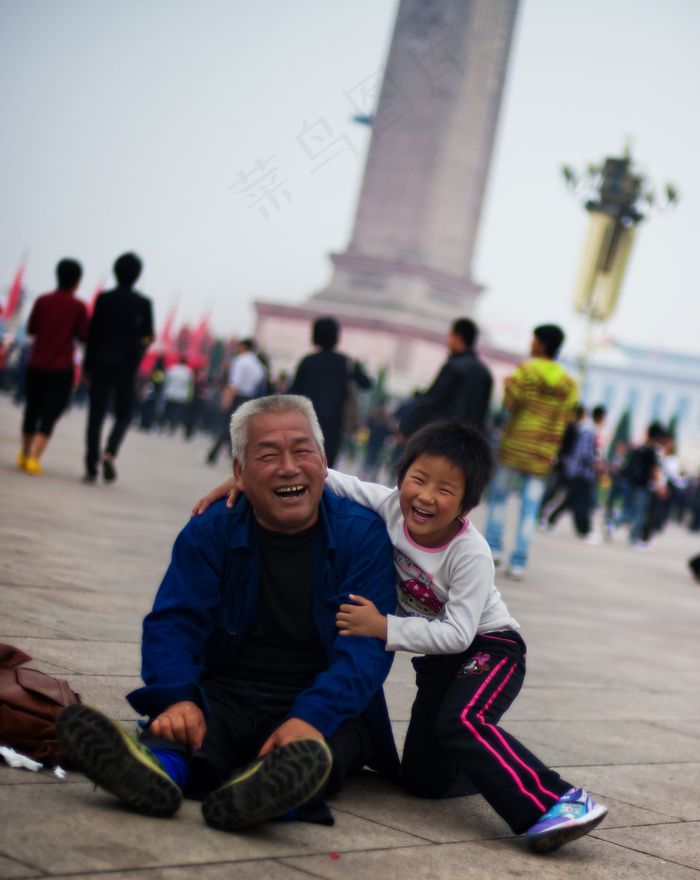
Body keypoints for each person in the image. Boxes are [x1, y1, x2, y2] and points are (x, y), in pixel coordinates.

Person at [194, 420, 608, 853]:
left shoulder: (471, 553)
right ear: (400, 477)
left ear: (467, 504)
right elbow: (326, 477)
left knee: (462, 722)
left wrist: (383, 627)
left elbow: (458, 632)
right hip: (438, 662)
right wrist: (242, 481)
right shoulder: (388, 505)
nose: (426, 496)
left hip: (491, 649)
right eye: (419, 479)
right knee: (422, 780)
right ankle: (496, 771)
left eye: (446, 490)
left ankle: (556, 801)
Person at [56, 395, 398, 832]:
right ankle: (152, 771)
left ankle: (269, 798)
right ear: (238, 471)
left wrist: (309, 718)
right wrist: (178, 697)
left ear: (324, 461)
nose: (289, 467)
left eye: (302, 450)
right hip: (225, 691)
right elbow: (174, 623)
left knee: (315, 754)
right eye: (268, 455)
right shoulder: (211, 529)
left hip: (323, 696)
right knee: (181, 733)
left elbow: (364, 653)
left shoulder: (362, 536)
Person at [483, 324, 578, 580]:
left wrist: (508, 386)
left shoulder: (526, 371)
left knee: (500, 498)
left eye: (533, 339)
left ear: (543, 344)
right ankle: (519, 562)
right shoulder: (568, 383)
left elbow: (511, 403)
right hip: (543, 452)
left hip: (515, 446)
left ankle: (492, 549)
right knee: (530, 508)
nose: (531, 343)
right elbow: (568, 417)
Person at [83, 252, 154, 483]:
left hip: (101, 363)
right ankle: (110, 451)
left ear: (116, 271)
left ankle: (91, 465)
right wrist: (138, 350)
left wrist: (86, 366)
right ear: (138, 275)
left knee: (96, 414)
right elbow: (148, 336)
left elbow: (93, 335)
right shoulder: (143, 304)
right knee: (124, 413)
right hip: (126, 367)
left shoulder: (104, 299)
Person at [17, 258, 88, 475]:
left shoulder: (42, 300)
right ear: (77, 281)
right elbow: (84, 336)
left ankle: (25, 452)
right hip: (61, 367)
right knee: (50, 412)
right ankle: (35, 458)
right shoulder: (78, 306)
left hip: (37, 362)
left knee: (32, 408)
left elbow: (31, 329)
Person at [288, 316, 372, 467]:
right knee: (326, 466)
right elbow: (366, 383)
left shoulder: (308, 361)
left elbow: (292, 392)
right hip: (334, 422)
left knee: (302, 460)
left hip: (307, 421)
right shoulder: (345, 362)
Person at [398, 318, 493, 439]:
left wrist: (407, 428)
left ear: (457, 336)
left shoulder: (453, 366)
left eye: (449, 335)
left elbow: (432, 401)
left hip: (444, 436)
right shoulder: (485, 373)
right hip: (469, 441)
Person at [546, 405, 607, 542]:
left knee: (571, 501)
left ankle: (551, 521)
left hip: (582, 473)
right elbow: (585, 454)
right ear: (600, 417)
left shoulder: (590, 431)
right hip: (581, 473)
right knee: (582, 503)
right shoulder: (588, 431)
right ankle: (584, 531)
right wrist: (596, 463)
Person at [205, 338, 267, 465]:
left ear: (244, 347)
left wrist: (227, 400)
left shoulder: (240, 361)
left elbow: (234, 383)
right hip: (250, 398)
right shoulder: (258, 365)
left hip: (238, 397)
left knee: (228, 427)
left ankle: (213, 456)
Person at [161, 356, 194, 435]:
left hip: (169, 393)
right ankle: (172, 426)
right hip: (180, 395)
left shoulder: (171, 369)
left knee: (167, 411)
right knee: (176, 413)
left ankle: (163, 424)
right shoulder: (188, 372)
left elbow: (165, 381)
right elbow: (189, 386)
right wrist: (188, 396)